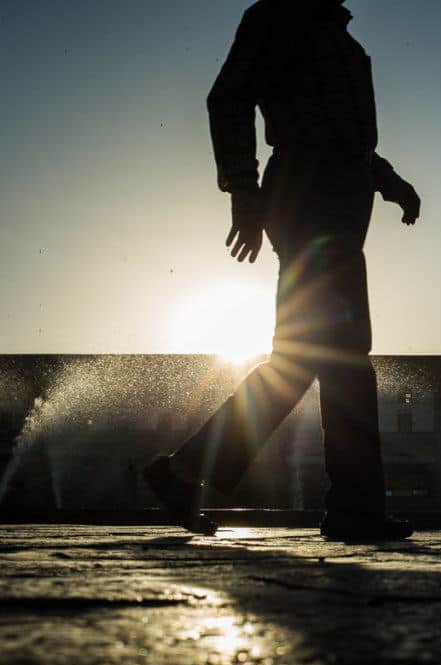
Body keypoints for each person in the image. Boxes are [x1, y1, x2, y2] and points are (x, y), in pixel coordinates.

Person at [144, 0, 420, 541]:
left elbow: (350, 139)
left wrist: (388, 180)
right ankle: (353, 509)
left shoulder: (339, 38)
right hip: (307, 196)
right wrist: (243, 192)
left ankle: (185, 472)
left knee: (306, 360)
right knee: (342, 357)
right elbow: (229, 98)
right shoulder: (279, 15)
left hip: (338, 199)